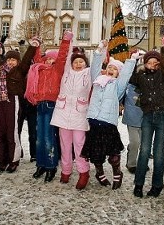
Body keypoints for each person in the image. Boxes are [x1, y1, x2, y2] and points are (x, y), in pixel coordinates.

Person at [80, 40, 136, 190]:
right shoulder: (97, 81)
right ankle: (99, 173)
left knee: (113, 154)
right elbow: (95, 68)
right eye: (109, 67)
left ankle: (117, 173)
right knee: (96, 153)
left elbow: (126, 76)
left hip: (108, 124)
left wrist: (131, 60)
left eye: (115, 69)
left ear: (118, 73)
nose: (111, 69)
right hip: (93, 121)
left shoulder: (118, 86)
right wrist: (100, 50)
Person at [130, 33, 164, 199]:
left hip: (162, 116)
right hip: (148, 116)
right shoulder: (141, 76)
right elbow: (130, 78)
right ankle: (139, 184)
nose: (152, 65)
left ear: (159, 64)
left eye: (155, 63)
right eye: (149, 62)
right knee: (144, 150)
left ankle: (157, 185)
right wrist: (134, 60)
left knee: (158, 152)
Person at [50, 46, 100, 190]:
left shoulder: (88, 74)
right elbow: (64, 57)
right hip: (63, 113)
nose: (78, 64)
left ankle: (83, 172)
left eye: (81, 62)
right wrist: (68, 41)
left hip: (80, 114)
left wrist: (99, 51)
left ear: (85, 63)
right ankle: (66, 170)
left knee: (79, 144)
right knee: (65, 145)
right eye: (75, 62)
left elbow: (97, 65)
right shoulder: (66, 72)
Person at [25, 31, 72, 182]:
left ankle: (51, 166)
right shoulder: (39, 68)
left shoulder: (57, 70)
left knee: (49, 136)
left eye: (53, 58)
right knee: (39, 137)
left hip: (51, 104)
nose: (49, 61)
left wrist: (65, 41)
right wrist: (36, 44)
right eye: (48, 58)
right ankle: (41, 164)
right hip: (40, 104)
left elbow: (63, 56)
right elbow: (36, 56)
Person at [0, 38, 39, 173]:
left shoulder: (21, 70)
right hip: (1, 100)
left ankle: (13, 159)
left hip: (13, 100)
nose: (11, 62)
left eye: (14, 60)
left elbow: (28, 57)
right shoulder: (1, 68)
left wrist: (33, 46)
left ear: (18, 61)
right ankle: (2, 160)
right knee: (1, 131)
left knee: (12, 131)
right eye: (9, 59)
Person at [121, 81, 143, 175]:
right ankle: (131, 164)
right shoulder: (128, 86)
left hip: (145, 119)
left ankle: (142, 163)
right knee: (135, 141)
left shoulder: (151, 83)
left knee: (143, 143)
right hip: (131, 117)